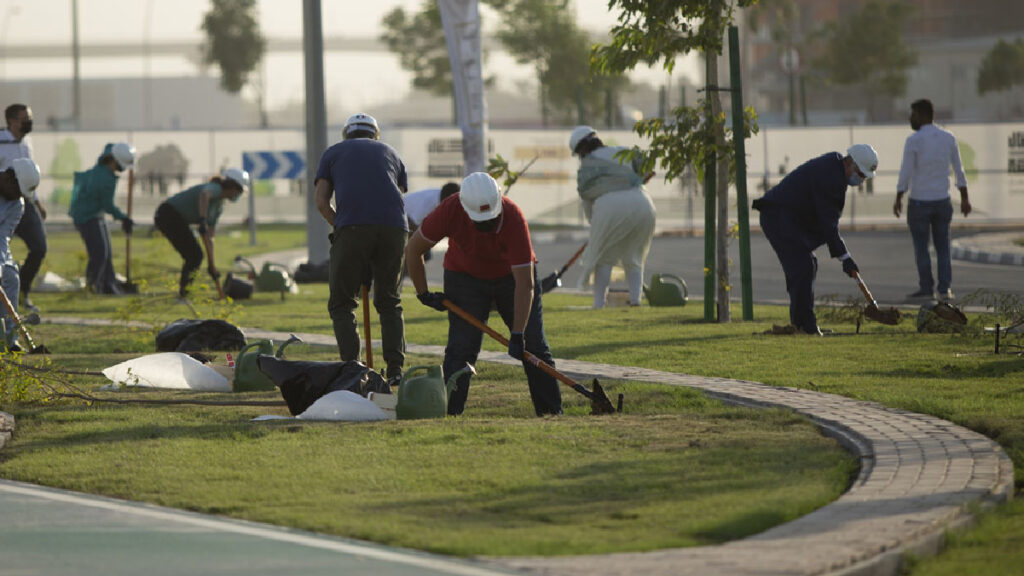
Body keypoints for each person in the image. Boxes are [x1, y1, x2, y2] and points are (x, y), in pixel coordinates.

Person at [406, 171, 563, 416]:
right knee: (461, 349)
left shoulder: (513, 217)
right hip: (464, 278)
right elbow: (413, 250)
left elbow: (525, 284)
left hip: (510, 280)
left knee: (534, 347)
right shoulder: (449, 210)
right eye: (480, 221)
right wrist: (423, 293)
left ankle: (552, 413)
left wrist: (518, 333)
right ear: (464, 208)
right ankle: (449, 412)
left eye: (490, 220)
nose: (486, 226)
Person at [314, 113, 408, 385]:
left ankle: (353, 370)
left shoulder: (333, 153)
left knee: (342, 303)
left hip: (352, 227)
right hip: (394, 229)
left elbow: (321, 202)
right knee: (389, 300)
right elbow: (397, 196)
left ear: (347, 134)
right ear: (374, 134)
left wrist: (341, 226)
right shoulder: (391, 153)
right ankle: (395, 370)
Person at [752, 144, 878, 336]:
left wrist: (843, 255)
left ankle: (802, 324)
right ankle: (805, 326)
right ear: (850, 163)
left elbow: (826, 223)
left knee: (806, 265)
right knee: (802, 266)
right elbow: (828, 224)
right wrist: (845, 257)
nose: (860, 180)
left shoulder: (834, 169)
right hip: (777, 216)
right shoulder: (832, 178)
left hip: (788, 217)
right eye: (860, 174)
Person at [568, 125, 656, 308]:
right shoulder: (623, 152)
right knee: (634, 255)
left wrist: (596, 226)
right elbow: (648, 172)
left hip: (610, 207)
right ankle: (635, 300)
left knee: (604, 257)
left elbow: (586, 196)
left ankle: (598, 304)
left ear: (582, 149)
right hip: (644, 203)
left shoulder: (587, 167)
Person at [894, 99, 971, 302]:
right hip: (942, 200)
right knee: (943, 247)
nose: (911, 118)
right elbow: (959, 170)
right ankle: (945, 289)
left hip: (919, 202)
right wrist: (965, 198)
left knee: (921, 247)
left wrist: (898, 197)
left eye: (913, 114)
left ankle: (926, 288)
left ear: (922, 115)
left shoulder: (914, 140)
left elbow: (906, 172)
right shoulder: (948, 138)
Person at [154, 168, 249, 297]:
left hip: (177, 219)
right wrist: (202, 219)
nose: (239, 193)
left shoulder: (219, 206)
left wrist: (212, 264)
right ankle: (184, 294)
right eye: (240, 190)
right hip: (168, 214)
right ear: (232, 186)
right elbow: (204, 194)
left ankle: (185, 292)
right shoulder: (216, 188)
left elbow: (210, 236)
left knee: (195, 256)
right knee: (195, 255)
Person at [67, 142, 136, 295]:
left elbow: (109, 146)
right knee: (99, 254)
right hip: (86, 217)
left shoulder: (103, 169)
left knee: (107, 253)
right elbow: (108, 205)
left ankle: (108, 284)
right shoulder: (105, 178)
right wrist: (124, 218)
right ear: (115, 161)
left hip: (95, 214)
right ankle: (93, 287)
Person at [0, 104, 47, 313]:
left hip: (23, 202)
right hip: (2, 198)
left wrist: (37, 202)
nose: (28, 122)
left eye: (30, 117)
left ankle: (22, 291)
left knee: (39, 247)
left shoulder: (27, 142)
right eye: (24, 118)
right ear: (11, 121)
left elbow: (28, 174)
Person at [0, 158, 40, 352]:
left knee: (10, 276)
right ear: (9, 177)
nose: (18, 196)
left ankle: (9, 340)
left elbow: (4, 235)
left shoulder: (18, 205)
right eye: (17, 191)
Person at [404, 181, 460, 262]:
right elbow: (413, 224)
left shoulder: (443, 195)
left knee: (424, 254)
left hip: (413, 219)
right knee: (417, 251)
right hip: (405, 217)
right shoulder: (428, 205)